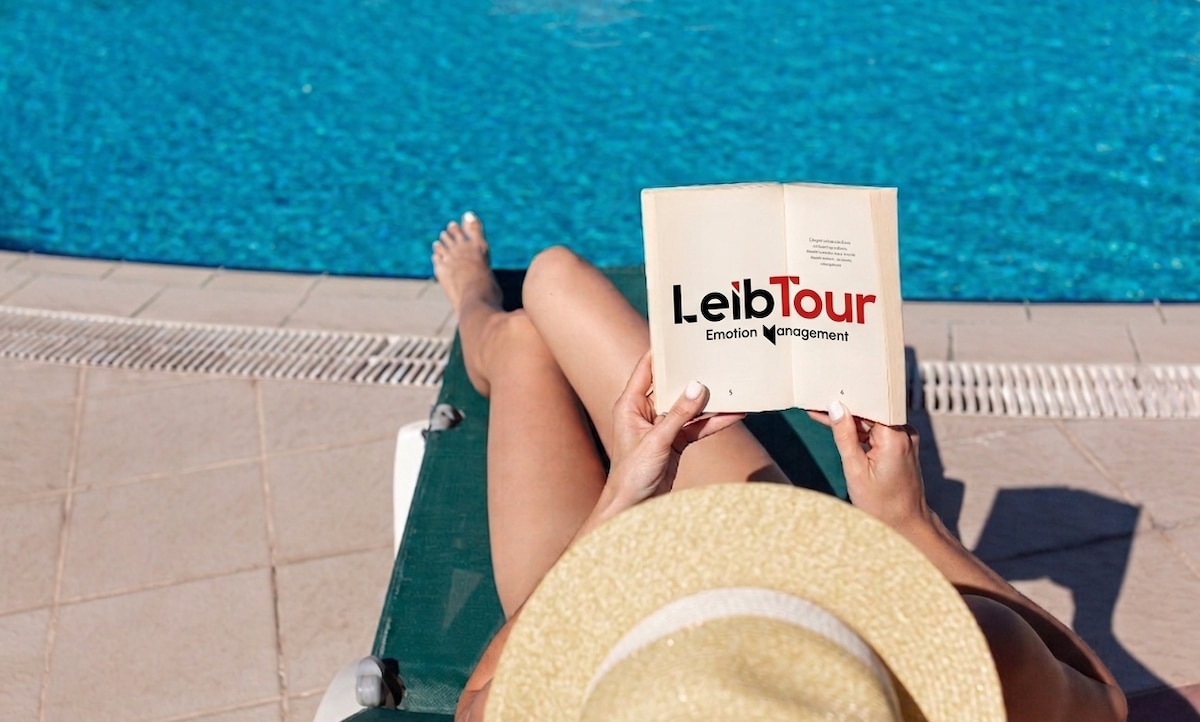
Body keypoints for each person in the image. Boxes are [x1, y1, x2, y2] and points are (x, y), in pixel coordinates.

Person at [431, 212, 1127, 722]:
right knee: (553, 280)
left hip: (623, 615)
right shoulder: (968, 657)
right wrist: (906, 521)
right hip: (709, 600)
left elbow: (475, 707)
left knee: (535, 311)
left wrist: (621, 501)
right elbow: (1103, 704)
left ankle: (477, 312)